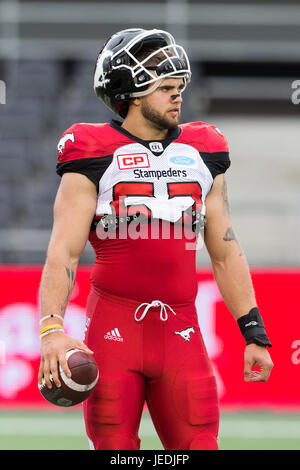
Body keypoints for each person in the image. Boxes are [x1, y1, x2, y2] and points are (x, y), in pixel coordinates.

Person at [38, 28, 273, 450]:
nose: (177, 96)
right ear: (130, 92)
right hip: (114, 328)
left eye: (179, 87)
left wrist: (253, 332)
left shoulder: (204, 149)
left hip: (181, 329)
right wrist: (51, 328)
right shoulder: (91, 149)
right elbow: (64, 250)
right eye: (165, 88)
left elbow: (224, 250)